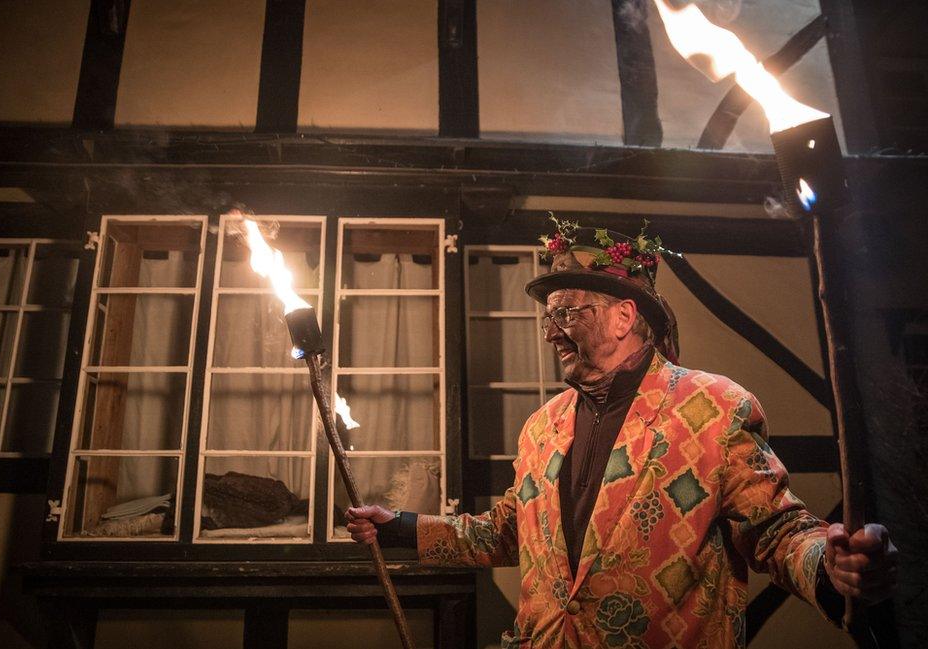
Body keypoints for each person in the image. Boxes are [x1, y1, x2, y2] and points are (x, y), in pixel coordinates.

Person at [347, 220, 897, 648]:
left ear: (622, 317)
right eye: (547, 317)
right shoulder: (543, 427)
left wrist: (831, 563)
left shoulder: (713, 406)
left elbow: (776, 531)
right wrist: (399, 527)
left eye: (565, 314)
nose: (549, 333)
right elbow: (508, 532)